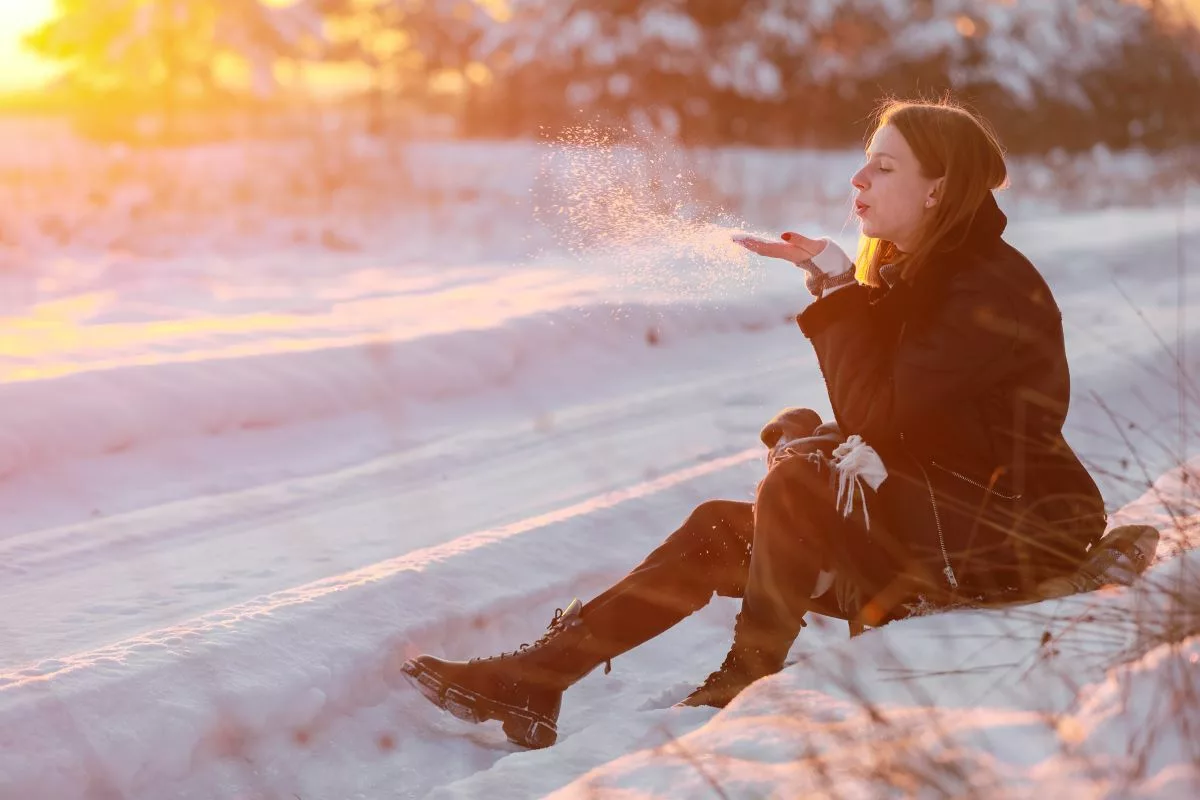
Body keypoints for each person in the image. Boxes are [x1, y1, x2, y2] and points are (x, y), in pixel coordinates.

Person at [400, 99, 1108, 750]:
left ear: (938, 189)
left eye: (884, 166)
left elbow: (878, 416)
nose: (859, 177)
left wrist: (837, 292)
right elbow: (901, 425)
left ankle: (748, 673)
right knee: (724, 523)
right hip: (944, 518)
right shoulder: (925, 273)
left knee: (800, 481)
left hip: (1011, 535)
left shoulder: (986, 287)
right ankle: (541, 675)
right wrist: (839, 314)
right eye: (865, 159)